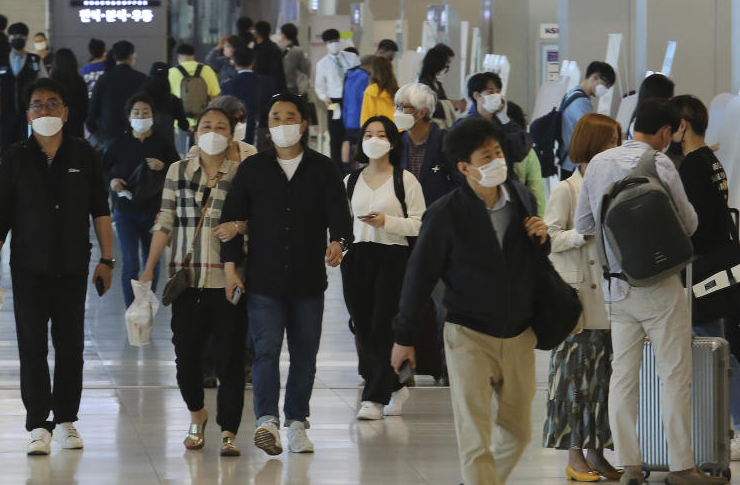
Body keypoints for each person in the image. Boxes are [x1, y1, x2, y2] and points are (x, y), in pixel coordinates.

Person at [390, 117, 552, 485]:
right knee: (475, 436)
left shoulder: (521, 198)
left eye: (497, 152)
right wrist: (403, 335)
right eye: (485, 156)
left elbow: (532, 263)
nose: (496, 160)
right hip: (468, 335)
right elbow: (419, 275)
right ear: (464, 168)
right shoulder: (445, 213)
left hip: (519, 333)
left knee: (519, 432)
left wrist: (543, 239)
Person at [575, 99, 726, 485]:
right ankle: (682, 467)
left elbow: (584, 223)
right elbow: (689, 224)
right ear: (664, 132)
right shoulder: (660, 164)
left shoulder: (597, 165)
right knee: (674, 375)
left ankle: (630, 466)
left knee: (623, 375)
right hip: (661, 287)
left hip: (617, 289)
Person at [0, 78, 115, 455]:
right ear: (27, 114)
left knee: (71, 346)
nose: (45, 111)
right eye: (37, 105)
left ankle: (66, 421)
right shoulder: (15, 157)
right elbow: (0, 218)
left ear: (66, 112)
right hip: (28, 267)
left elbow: (101, 211)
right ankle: (38, 424)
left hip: (73, 266)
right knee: (32, 347)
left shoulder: (84, 154)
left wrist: (107, 259)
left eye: (53, 104)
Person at [220, 93, 353, 455]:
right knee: (265, 352)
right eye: (275, 118)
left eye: (289, 117)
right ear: (268, 125)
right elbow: (230, 220)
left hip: (309, 280)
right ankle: (267, 422)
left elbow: (340, 216)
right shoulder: (253, 168)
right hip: (263, 279)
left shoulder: (323, 168)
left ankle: (296, 422)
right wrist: (231, 268)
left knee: (305, 353)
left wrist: (339, 242)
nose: (282, 124)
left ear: (304, 123)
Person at [140, 106, 248, 456]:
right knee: (185, 358)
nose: (213, 131)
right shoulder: (178, 170)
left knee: (230, 359)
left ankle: (229, 429)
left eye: (221, 127)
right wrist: (148, 268)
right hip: (186, 281)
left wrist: (240, 226)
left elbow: (255, 217)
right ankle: (196, 414)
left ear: (232, 135)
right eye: (206, 126)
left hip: (228, 279)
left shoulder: (242, 173)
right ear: (195, 133)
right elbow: (165, 220)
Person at [541, 113, 623, 482]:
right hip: (576, 301)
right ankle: (574, 457)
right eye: (611, 142)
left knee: (604, 381)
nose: (617, 148)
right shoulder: (566, 189)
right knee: (574, 382)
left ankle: (598, 452)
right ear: (592, 145)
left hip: (612, 299)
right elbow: (549, 238)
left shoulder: (617, 187)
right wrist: (581, 234)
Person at [669, 95, 740, 460]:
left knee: (711, 346)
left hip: (703, 263)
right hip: (719, 259)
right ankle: (727, 425)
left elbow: (689, 222)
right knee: (720, 344)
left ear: (682, 126)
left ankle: (726, 426)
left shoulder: (692, 167)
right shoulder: (712, 161)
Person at [342, 116, 424, 421]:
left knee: (382, 325)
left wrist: (387, 222)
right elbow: (339, 223)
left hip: (393, 257)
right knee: (361, 325)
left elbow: (419, 223)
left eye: (381, 134)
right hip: (356, 257)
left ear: (391, 142)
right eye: (368, 134)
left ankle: (374, 398)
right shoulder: (350, 181)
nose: (374, 139)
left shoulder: (405, 180)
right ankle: (394, 385)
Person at [102, 93, 179, 307]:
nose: (141, 116)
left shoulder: (163, 143)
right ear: (129, 117)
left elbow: (179, 171)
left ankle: (144, 307)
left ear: (154, 116)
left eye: (146, 112)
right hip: (125, 211)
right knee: (130, 262)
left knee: (152, 262)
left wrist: (163, 167)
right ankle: (130, 310)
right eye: (136, 112)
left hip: (154, 212)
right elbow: (102, 169)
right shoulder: (118, 143)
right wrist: (112, 181)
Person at [393, 82, 458, 206]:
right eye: (396, 106)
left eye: (402, 107)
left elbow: (458, 183)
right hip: (405, 217)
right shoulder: (396, 143)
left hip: (437, 215)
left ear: (421, 113)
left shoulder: (445, 141)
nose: (397, 112)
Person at [0, 22, 42, 157]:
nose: (18, 38)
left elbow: (43, 86)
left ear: (26, 38)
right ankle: (6, 177)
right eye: (14, 35)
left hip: (29, 115)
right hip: (6, 114)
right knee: (6, 150)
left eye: (21, 36)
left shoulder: (34, 60)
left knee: (28, 150)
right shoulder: (0, 60)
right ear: (9, 38)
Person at [464, 72, 530, 182]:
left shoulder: (506, 123)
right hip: (477, 182)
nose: (496, 96)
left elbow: (520, 153)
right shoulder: (465, 126)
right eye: (490, 92)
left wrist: (505, 120)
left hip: (506, 182)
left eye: (498, 92)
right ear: (477, 96)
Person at [558, 61, 617, 180]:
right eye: (605, 85)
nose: (605, 90)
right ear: (594, 77)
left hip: (567, 159)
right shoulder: (581, 102)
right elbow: (592, 134)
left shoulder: (572, 93)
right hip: (574, 164)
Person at [87, 40, 148, 149]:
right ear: (132, 56)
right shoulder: (142, 79)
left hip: (109, 135)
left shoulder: (104, 79)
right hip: (137, 134)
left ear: (114, 56)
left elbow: (92, 113)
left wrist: (99, 136)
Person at [315, 29, 361, 170]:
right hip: (334, 102)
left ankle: (355, 166)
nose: (334, 44)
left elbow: (360, 75)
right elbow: (319, 85)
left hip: (352, 100)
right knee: (335, 136)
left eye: (335, 41)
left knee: (354, 134)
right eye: (330, 42)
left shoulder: (351, 57)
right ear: (326, 44)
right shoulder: (322, 64)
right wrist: (324, 98)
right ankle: (337, 170)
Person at [220, 47, 276, 146]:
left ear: (234, 61)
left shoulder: (227, 86)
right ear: (253, 61)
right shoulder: (267, 83)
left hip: (235, 135)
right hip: (261, 133)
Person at [169, 43, 221, 136]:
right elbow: (215, 97)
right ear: (193, 55)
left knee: (181, 150)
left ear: (178, 56)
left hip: (181, 123)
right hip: (204, 122)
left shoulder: (171, 72)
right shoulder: (207, 70)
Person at [187, 96, 259, 164]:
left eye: (241, 119)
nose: (238, 125)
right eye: (234, 120)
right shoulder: (197, 152)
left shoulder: (250, 151)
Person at [506, 102, 547, 216]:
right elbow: (536, 192)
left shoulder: (491, 150)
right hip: (521, 213)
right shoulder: (529, 153)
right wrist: (539, 222)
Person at [417, 43, 467, 124]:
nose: (446, 67)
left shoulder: (437, 84)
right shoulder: (423, 84)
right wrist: (454, 104)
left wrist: (457, 104)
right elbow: (431, 107)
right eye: (446, 63)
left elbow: (443, 102)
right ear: (437, 62)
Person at [144, 62, 191, 143]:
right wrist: (190, 129)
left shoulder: (141, 99)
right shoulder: (173, 100)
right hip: (167, 142)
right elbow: (183, 123)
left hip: (145, 140)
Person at [341, 55, 372, 172]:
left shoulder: (349, 74)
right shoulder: (365, 77)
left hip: (348, 115)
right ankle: (361, 167)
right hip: (359, 116)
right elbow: (363, 97)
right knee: (360, 142)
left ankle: (345, 168)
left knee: (347, 140)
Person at [49, 48, 88, 139]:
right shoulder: (80, 82)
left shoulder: (51, 84)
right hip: (76, 128)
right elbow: (85, 108)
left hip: (55, 129)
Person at [360, 54, 398, 126]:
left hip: (378, 131)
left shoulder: (371, 91)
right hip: (396, 130)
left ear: (374, 71)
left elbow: (366, 116)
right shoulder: (396, 90)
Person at [252, 21, 287, 93]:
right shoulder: (274, 47)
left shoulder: (258, 49)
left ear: (257, 33)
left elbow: (258, 69)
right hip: (275, 86)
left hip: (262, 87)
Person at [280, 23, 310, 97]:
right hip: (292, 87)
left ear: (283, 34)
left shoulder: (275, 47)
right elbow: (305, 70)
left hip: (278, 86)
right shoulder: (298, 50)